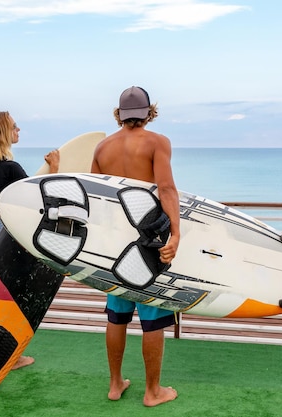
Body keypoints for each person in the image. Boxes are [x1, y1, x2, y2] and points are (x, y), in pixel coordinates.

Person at [91, 86, 180, 407]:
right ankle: (152, 392)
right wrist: (177, 235)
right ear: (149, 112)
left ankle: (116, 384)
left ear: (119, 114)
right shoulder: (158, 142)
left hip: (115, 242)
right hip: (148, 239)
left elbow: (97, 201)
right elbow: (167, 189)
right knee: (152, 316)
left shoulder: (103, 148)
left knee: (117, 315)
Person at [0, 111, 59, 370]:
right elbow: (39, 198)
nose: (19, 130)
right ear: (4, 132)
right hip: (13, 234)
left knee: (4, 297)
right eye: (14, 127)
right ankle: (8, 356)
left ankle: (2, 354)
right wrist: (55, 168)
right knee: (17, 299)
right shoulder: (10, 168)